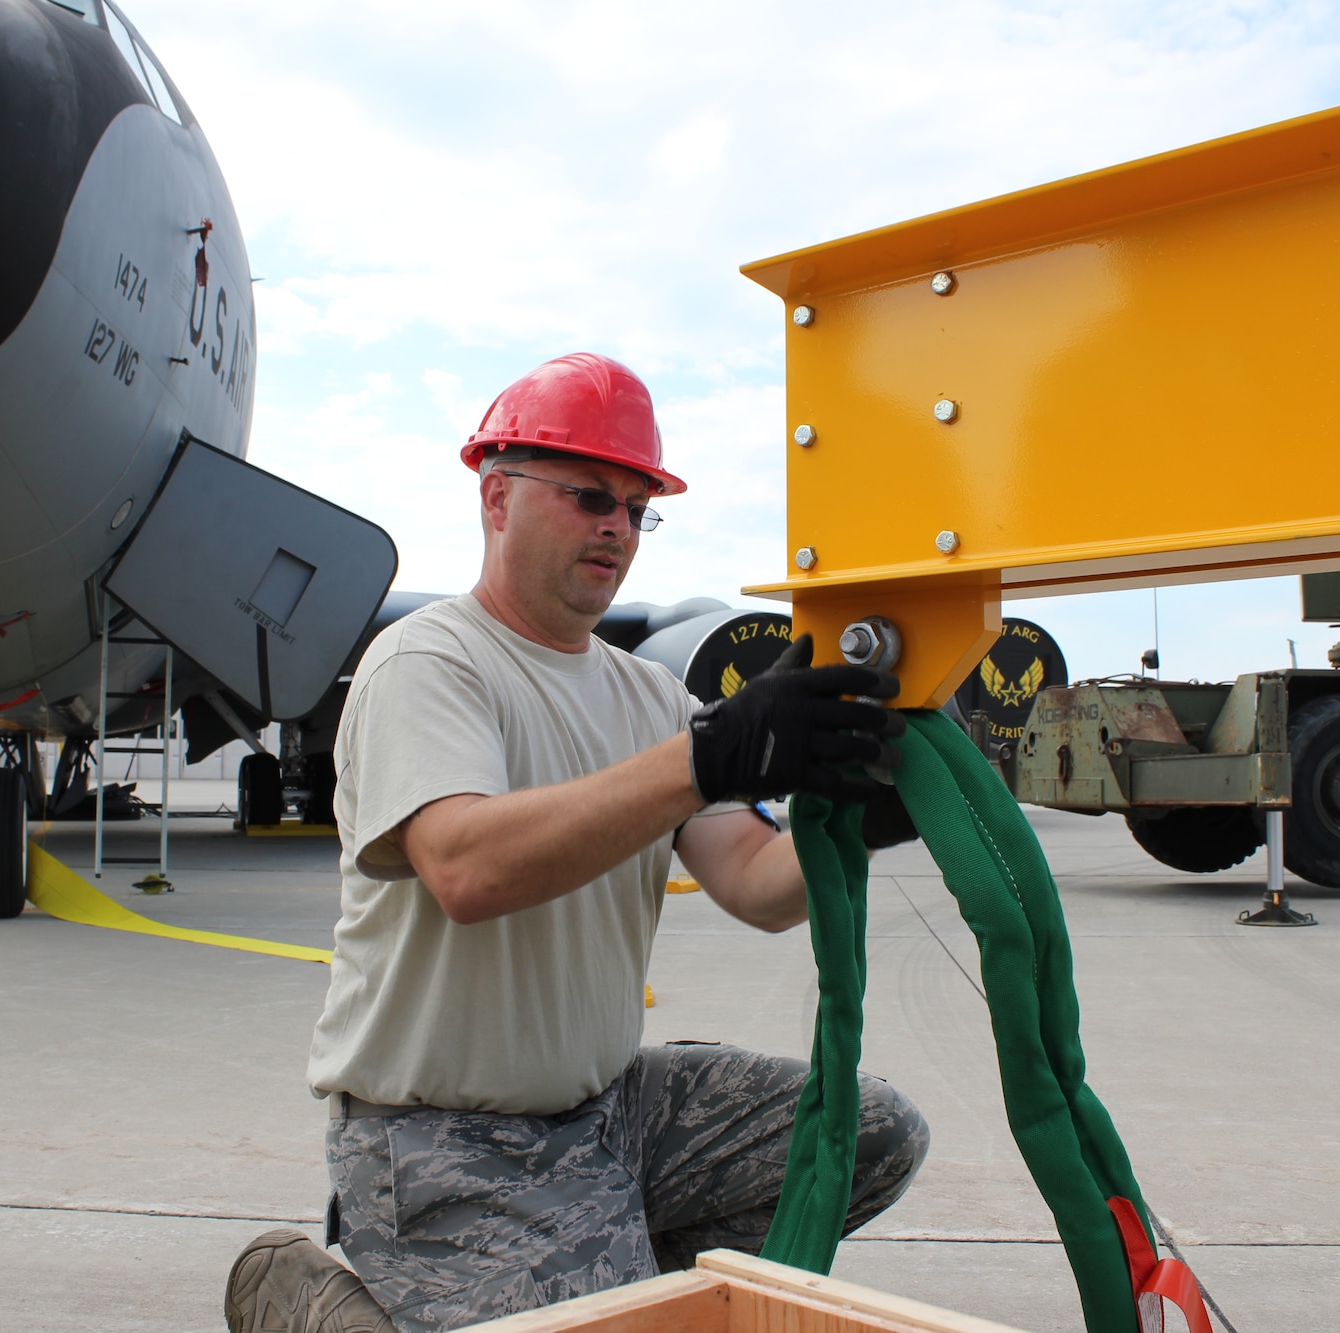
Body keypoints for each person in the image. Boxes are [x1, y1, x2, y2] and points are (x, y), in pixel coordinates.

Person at [224, 353, 926, 1333]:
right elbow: (465, 866)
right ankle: (313, 1303)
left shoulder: (646, 696)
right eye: (593, 496)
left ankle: (592, 1267)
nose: (617, 528)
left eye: (638, 509)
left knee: (870, 1131)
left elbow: (751, 882)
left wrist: (865, 821)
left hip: (609, 1111)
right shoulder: (428, 662)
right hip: (437, 1134)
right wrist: (707, 755)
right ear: (496, 495)